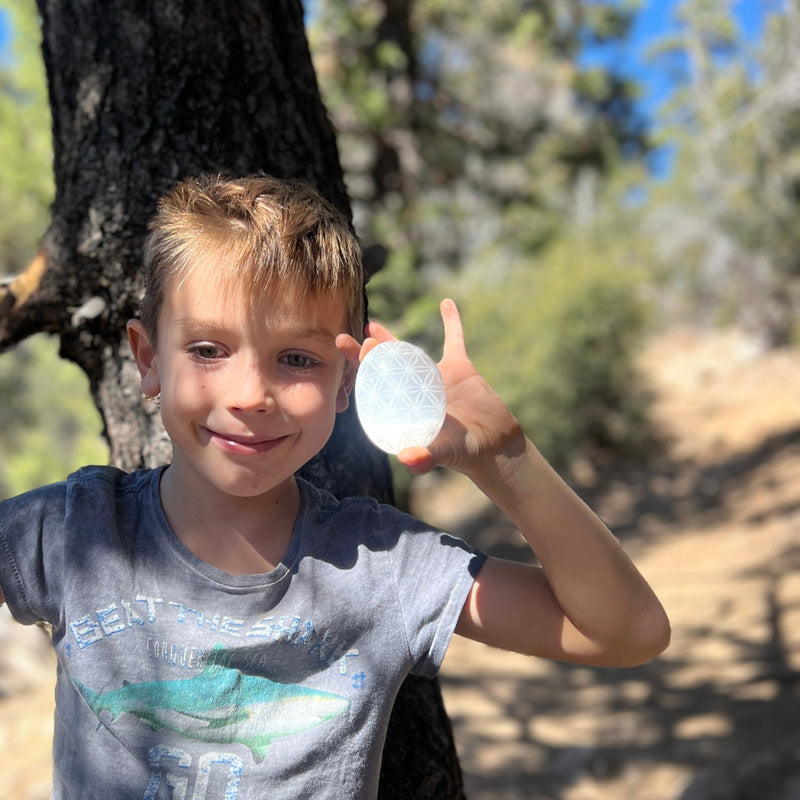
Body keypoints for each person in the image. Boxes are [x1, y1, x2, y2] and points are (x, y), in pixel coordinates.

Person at [0, 174, 669, 799]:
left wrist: (507, 459)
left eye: (297, 358)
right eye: (208, 350)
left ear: (346, 384)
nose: (251, 395)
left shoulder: (383, 565)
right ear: (148, 361)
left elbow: (626, 632)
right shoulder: (73, 530)